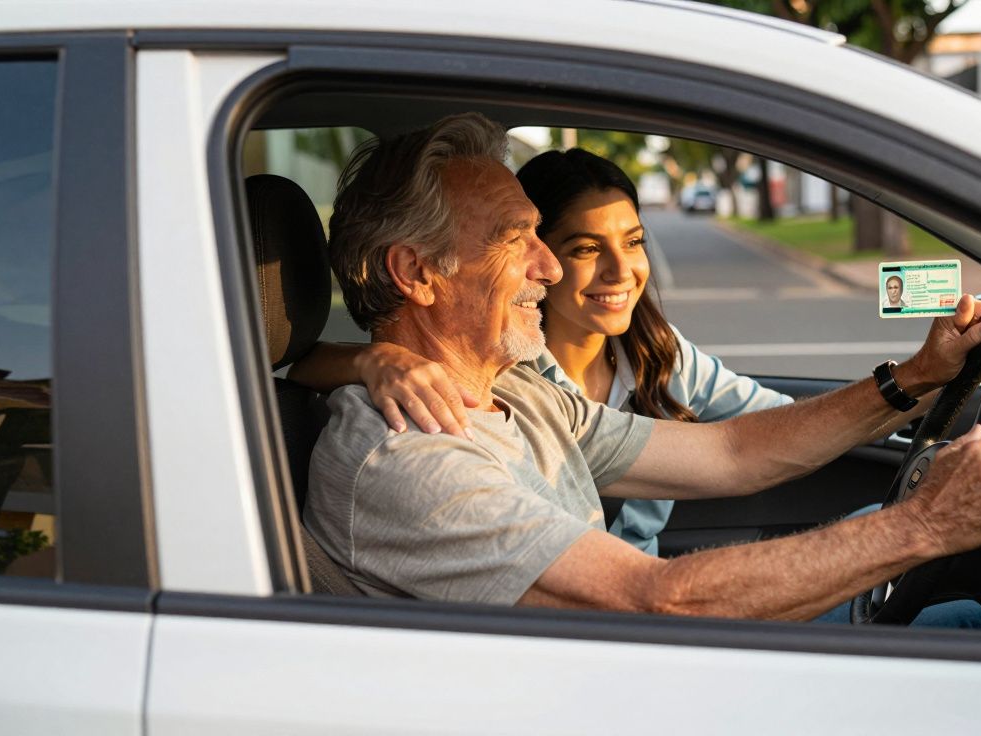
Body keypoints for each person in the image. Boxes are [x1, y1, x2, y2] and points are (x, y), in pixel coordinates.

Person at [303, 112, 981, 625]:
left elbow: (734, 448)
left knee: (964, 623)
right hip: (627, 688)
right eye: (514, 239)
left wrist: (917, 375)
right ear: (416, 272)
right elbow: (655, 600)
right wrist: (925, 524)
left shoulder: (518, 395)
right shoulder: (407, 460)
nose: (549, 267)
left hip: (638, 670)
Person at [294, 148, 795, 558]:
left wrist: (876, 397)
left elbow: (750, 443)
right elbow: (308, 364)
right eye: (584, 249)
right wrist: (372, 359)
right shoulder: (505, 371)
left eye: (635, 241)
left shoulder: (658, 356)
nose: (621, 271)